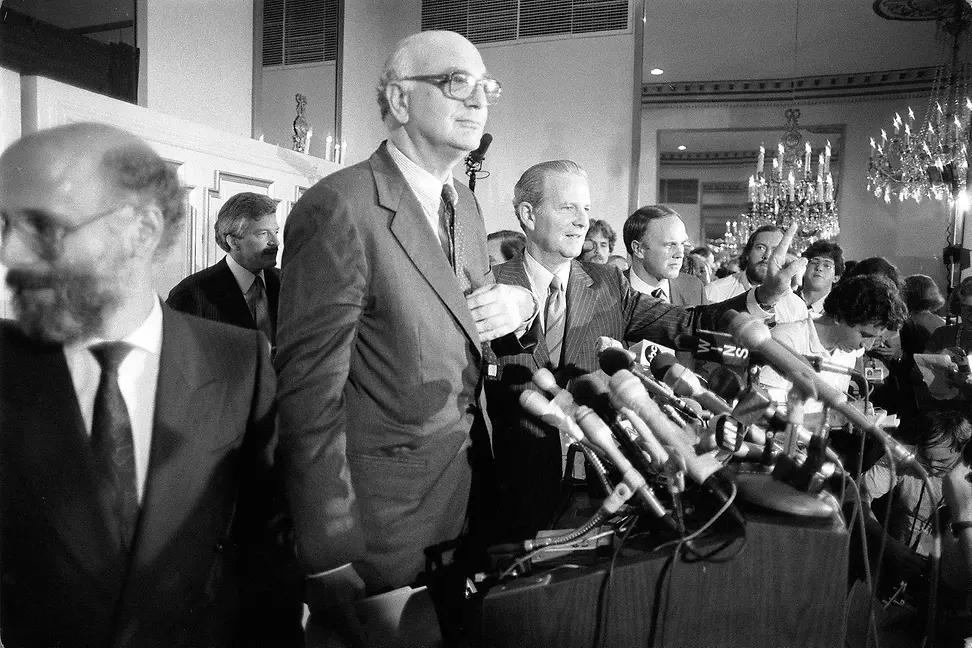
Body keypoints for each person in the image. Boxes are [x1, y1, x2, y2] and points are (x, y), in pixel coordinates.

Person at [274, 29, 537, 640]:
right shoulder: (339, 207)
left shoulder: (464, 204)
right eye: (455, 83)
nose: (478, 100)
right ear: (398, 100)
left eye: (486, 87)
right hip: (379, 523)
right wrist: (327, 549)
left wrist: (519, 305)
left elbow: (470, 321)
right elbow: (308, 395)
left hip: (466, 496)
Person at [0, 122, 293, 646]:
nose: (11, 255)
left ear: (141, 230)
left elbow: (266, 559)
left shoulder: (237, 364)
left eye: (44, 228)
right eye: (5, 226)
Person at [486, 160, 803, 539]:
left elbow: (688, 324)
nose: (582, 221)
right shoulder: (490, 286)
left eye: (585, 208)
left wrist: (765, 295)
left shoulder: (607, 283)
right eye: (567, 207)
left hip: (605, 481)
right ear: (528, 214)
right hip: (514, 483)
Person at [759, 274, 907, 409]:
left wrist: (853, 412)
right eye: (865, 335)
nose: (867, 347)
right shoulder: (786, 339)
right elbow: (765, 411)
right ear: (839, 316)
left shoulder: (848, 350)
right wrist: (837, 418)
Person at [166, 192, 280, 348]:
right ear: (233, 242)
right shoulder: (190, 295)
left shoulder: (288, 283)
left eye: (275, 232)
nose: (275, 242)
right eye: (263, 234)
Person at [704, 225, 808, 323]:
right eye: (761, 248)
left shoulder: (796, 306)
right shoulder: (715, 292)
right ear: (747, 253)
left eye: (776, 250)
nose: (767, 255)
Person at [622, 204, 705, 306]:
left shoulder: (693, 288)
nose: (680, 254)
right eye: (669, 245)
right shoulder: (609, 292)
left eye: (682, 244)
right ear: (638, 249)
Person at [798, 239, 843, 318]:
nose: (819, 268)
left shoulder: (838, 311)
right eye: (814, 262)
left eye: (827, 266)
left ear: (836, 278)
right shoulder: (786, 298)